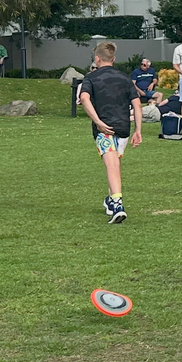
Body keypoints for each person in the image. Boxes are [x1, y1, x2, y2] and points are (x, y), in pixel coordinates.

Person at [77, 41, 140, 224]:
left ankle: (117, 205)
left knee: (112, 165)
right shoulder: (124, 78)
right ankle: (111, 200)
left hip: (104, 129)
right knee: (114, 164)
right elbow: (137, 104)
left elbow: (84, 98)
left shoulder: (91, 78)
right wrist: (138, 130)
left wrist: (97, 121)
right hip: (123, 128)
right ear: (114, 59)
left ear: (97, 58)